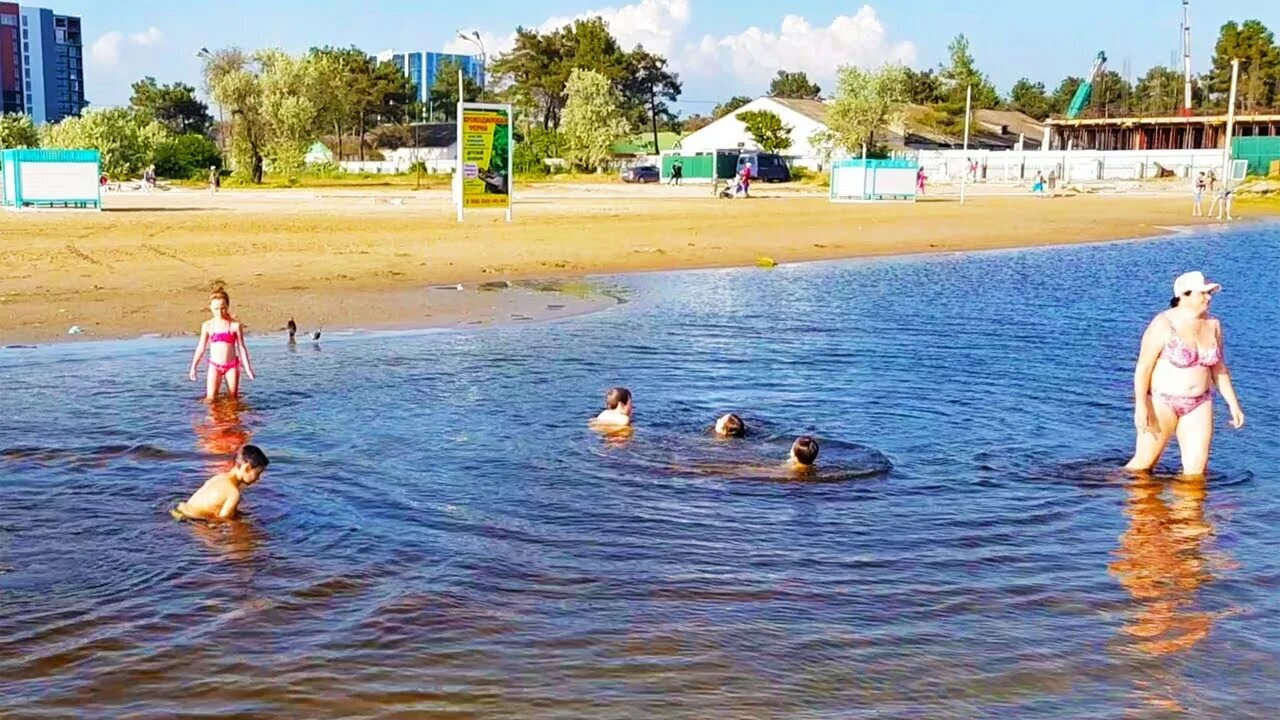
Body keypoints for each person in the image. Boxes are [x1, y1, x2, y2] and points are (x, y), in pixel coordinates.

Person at [1125, 271, 1245, 477]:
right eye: (1204, 293)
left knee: (1196, 473)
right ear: (1184, 295)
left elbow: (1219, 367)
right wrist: (1141, 406)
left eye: (1210, 294)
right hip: (1162, 402)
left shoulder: (1213, 325)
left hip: (1200, 403)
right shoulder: (1163, 324)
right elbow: (1143, 368)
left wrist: (1233, 404)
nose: (1208, 298)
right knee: (1143, 466)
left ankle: (1189, 510)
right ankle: (1105, 493)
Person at [189, 288, 256, 401]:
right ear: (210, 307)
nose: (219, 312)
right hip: (214, 366)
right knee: (210, 398)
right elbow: (201, 348)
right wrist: (193, 367)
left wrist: (248, 368)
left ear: (227, 306)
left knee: (233, 399)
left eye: (222, 308)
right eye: (216, 309)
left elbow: (241, 347)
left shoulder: (234, 325)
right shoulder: (207, 325)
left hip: (231, 366)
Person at [172, 444, 270, 522]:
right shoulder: (233, 493)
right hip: (191, 520)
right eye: (258, 473)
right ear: (247, 468)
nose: (258, 479)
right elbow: (223, 520)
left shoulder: (218, 478)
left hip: (179, 511)